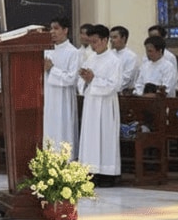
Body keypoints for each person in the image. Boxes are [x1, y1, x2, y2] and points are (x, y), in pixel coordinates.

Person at [78, 24, 121, 187]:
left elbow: (114, 85)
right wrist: (84, 79)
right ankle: (91, 171)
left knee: (105, 137)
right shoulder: (90, 58)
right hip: (91, 103)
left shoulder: (114, 61)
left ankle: (107, 173)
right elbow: (80, 81)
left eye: (95, 42)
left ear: (105, 40)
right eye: (90, 42)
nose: (92, 46)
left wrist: (93, 80)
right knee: (91, 137)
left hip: (105, 105)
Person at [43, 16, 79, 157]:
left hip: (64, 99)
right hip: (49, 97)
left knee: (63, 130)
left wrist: (52, 69)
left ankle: (66, 162)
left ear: (65, 30)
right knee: (50, 130)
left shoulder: (73, 52)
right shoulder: (47, 51)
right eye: (51, 28)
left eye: (56, 28)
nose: (52, 32)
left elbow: (71, 78)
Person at [109, 25, 139, 94]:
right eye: (111, 37)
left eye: (115, 37)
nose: (111, 40)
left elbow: (126, 78)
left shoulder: (131, 57)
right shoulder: (109, 54)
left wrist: (112, 88)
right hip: (109, 92)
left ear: (123, 38)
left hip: (124, 94)